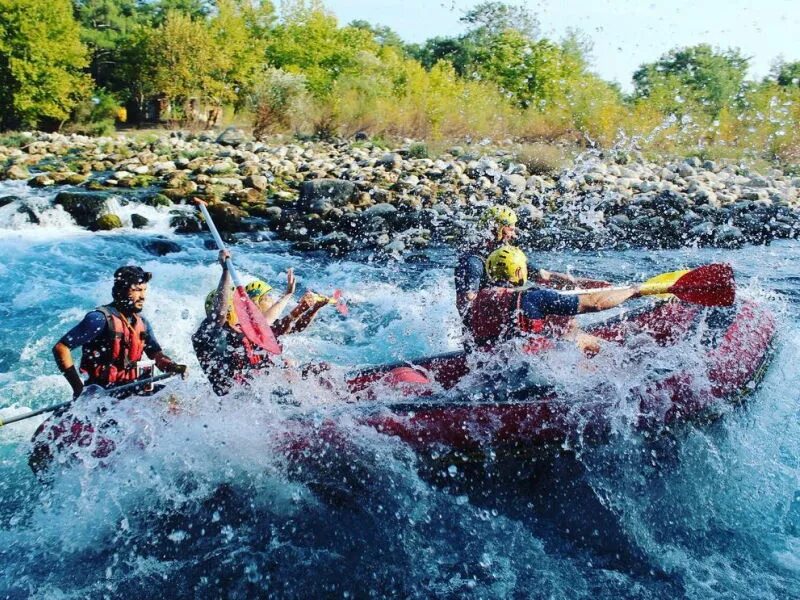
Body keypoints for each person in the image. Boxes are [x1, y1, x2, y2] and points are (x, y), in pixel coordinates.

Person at [192, 250, 330, 396]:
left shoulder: (249, 330)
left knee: (318, 368)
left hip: (259, 390)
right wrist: (226, 270)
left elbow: (282, 326)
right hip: (234, 397)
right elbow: (218, 315)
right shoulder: (205, 336)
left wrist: (308, 306)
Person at [469, 246, 640, 355]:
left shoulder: (478, 300)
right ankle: (609, 371)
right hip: (530, 365)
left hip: (492, 363)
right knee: (581, 337)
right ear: (520, 272)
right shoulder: (535, 297)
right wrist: (633, 290)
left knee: (565, 321)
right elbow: (595, 303)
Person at [52, 265, 188, 399]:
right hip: (103, 395)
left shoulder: (142, 323)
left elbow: (156, 355)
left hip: (133, 391)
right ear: (121, 291)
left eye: (144, 290)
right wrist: (78, 388)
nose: (142, 296)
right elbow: (61, 348)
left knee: (176, 398)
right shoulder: (99, 319)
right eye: (137, 290)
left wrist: (172, 366)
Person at [454, 205, 582, 331]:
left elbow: (544, 276)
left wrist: (581, 283)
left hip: (508, 321)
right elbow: (465, 306)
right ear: (496, 228)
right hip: (488, 332)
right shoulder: (472, 263)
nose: (514, 235)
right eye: (510, 229)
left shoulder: (507, 255)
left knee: (564, 317)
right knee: (566, 322)